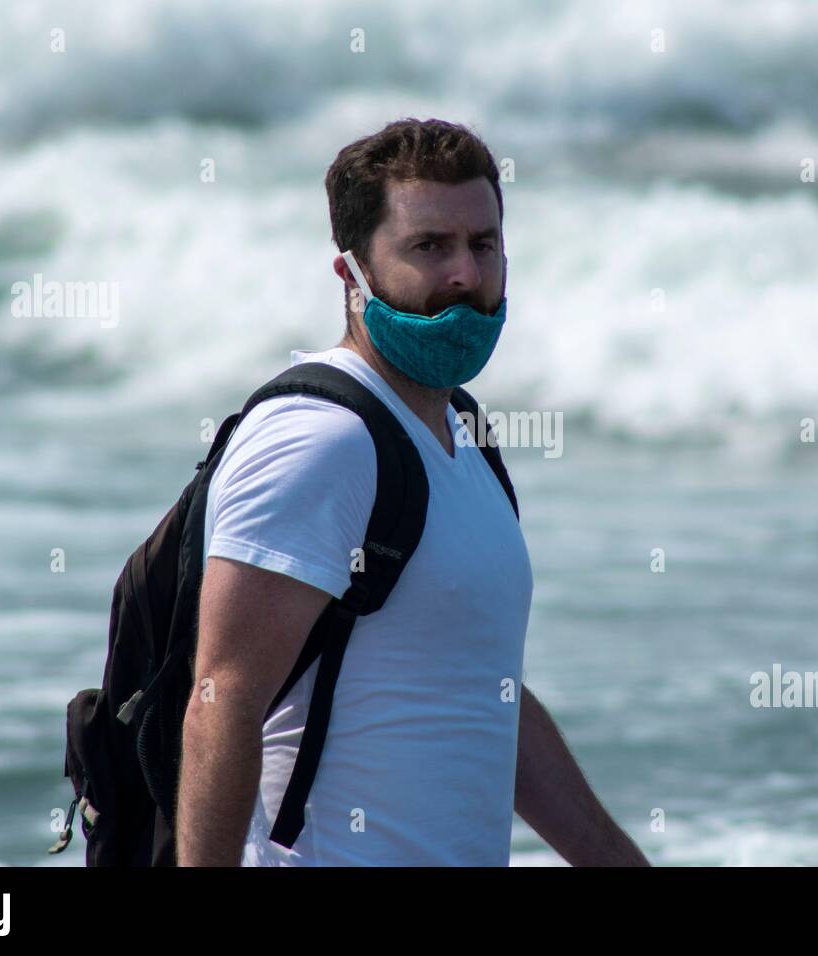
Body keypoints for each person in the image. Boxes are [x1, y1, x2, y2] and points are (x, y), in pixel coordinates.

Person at [175, 117, 649, 866]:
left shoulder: (465, 431)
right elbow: (222, 701)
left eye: (483, 244)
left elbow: (478, 692)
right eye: (429, 247)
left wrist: (614, 858)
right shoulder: (319, 439)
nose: (465, 273)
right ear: (351, 275)